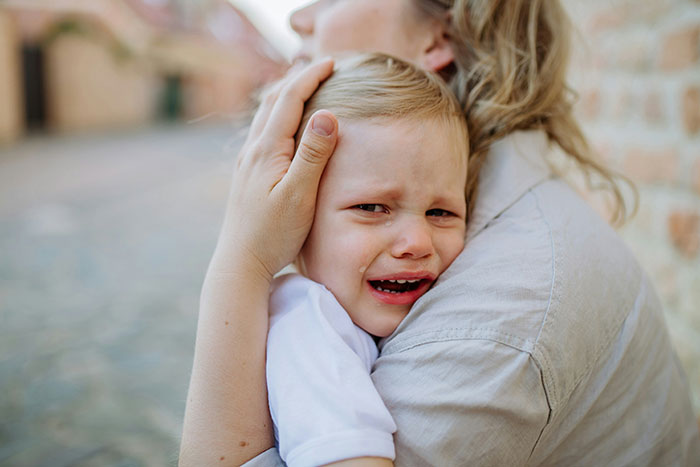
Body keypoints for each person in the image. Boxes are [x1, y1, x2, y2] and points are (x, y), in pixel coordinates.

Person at [179, 0, 700, 466]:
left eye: (442, 213)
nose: (299, 17)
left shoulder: (497, 315)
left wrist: (242, 261)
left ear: (438, 38)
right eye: (370, 207)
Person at [266, 53, 469, 467]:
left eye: (440, 213)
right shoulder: (308, 326)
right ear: (298, 218)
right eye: (373, 207)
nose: (416, 242)